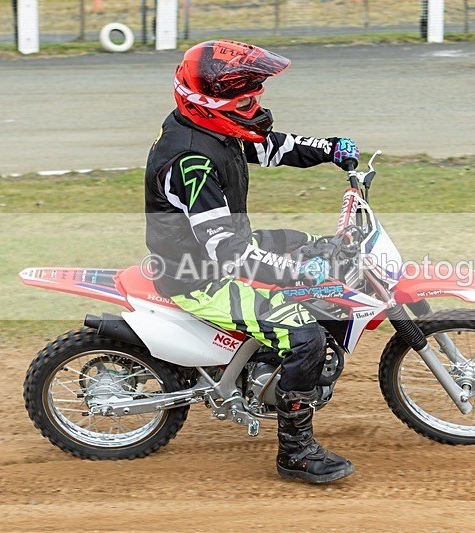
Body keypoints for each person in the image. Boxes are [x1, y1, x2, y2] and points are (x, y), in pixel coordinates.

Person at [144, 40, 360, 484]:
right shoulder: (191, 160)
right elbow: (229, 254)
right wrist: (298, 273)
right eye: (245, 98)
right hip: (199, 276)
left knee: (312, 245)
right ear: (210, 103)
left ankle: (263, 361)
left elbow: (269, 147)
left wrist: (328, 148)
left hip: (214, 250)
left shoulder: (211, 131)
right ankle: (295, 453)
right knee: (304, 337)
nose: (255, 103)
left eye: (256, 94)